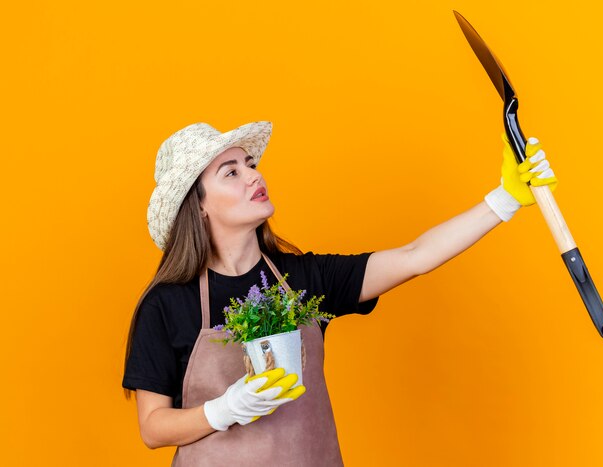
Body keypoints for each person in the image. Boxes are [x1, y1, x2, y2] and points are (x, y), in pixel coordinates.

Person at [122, 121, 557, 466]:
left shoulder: (304, 279)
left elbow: (415, 256)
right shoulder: (166, 303)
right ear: (198, 206)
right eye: (231, 172)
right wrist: (225, 409)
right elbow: (153, 428)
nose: (254, 175)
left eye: (250, 164)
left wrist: (504, 200)